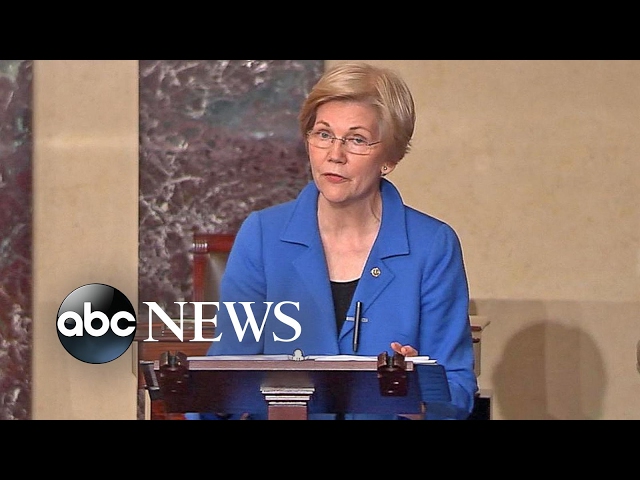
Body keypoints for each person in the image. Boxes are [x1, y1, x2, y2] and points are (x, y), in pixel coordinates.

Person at [206, 61, 478, 419]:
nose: (335, 155)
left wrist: (420, 394)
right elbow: (224, 374)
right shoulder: (262, 236)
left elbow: (457, 388)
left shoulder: (432, 246)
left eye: (356, 139)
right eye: (323, 134)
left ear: (390, 158)